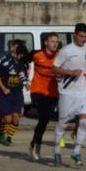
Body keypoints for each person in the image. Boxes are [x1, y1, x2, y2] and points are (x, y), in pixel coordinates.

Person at [52, 23, 86, 167]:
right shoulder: (66, 50)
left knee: (84, 120)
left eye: (85, 36)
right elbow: (54, 68)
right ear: (74, 35)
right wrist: (70, 72)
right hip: (67, 92)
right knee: (63, 124)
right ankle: (57, 150)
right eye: (81, 36)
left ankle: (76, 151)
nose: (83, 39)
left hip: (83, 91)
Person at [27, 32, 60, 162]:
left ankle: (34, 143)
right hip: (37, 91)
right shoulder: (37, 55)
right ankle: (36, 146)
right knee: (44, 116)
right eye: (52, 41)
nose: (55, 43)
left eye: (56, 41)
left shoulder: (60, 56)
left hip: (53, 92)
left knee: (45, 121)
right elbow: (23, 60)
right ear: (46, 42)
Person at [0, 40, 29, 146]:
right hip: (6, 93)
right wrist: (4, 89)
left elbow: (23, 76)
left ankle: (8, 138)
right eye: (14, 47)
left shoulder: (24, 63)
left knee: (17, 117)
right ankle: (1, 132)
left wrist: (26, 83)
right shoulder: (6, 62)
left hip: (17, 93)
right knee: (7, 119)